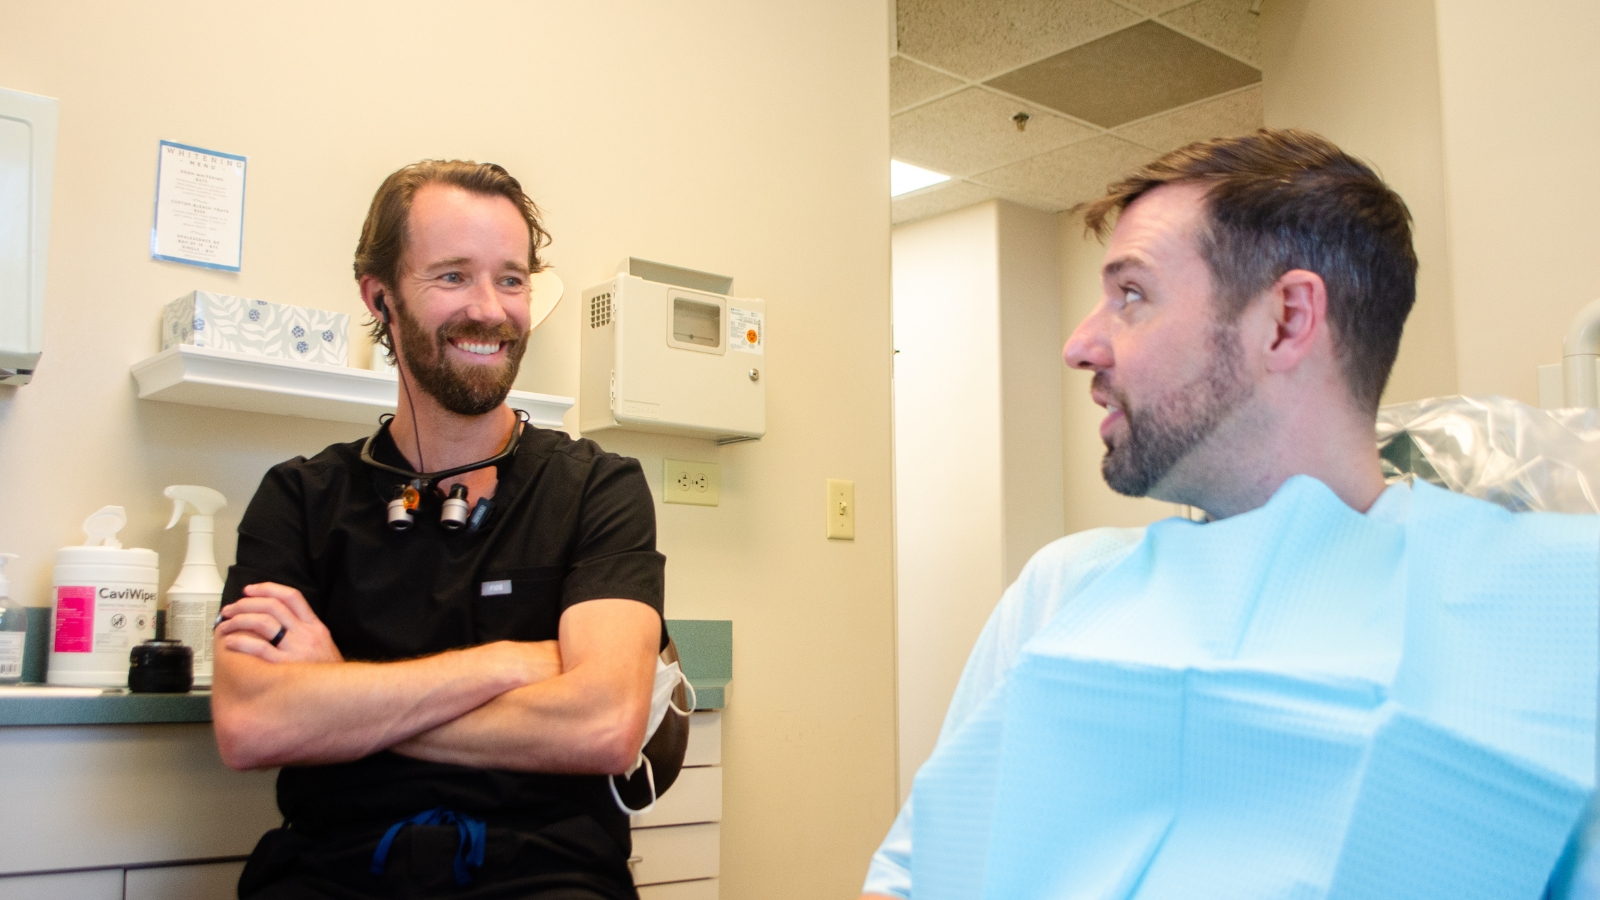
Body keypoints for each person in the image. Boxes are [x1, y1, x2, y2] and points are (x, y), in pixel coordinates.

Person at [861, 129, 1598, 899]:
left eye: (1132, 296)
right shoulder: (1065, 592)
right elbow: (910, 877)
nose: (1080, 345)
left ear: (1285, 319)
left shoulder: (1541, 618)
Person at [211, 160, 666, 900]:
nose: (490, 309)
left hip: (546, 876)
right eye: (452, 276)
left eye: (511, 279)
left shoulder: (595, 487)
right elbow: (252, 725)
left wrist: (334, 698)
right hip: (334, 875)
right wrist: (515, 664)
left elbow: (605, 724)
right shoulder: (298, 499)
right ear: (381, 297)